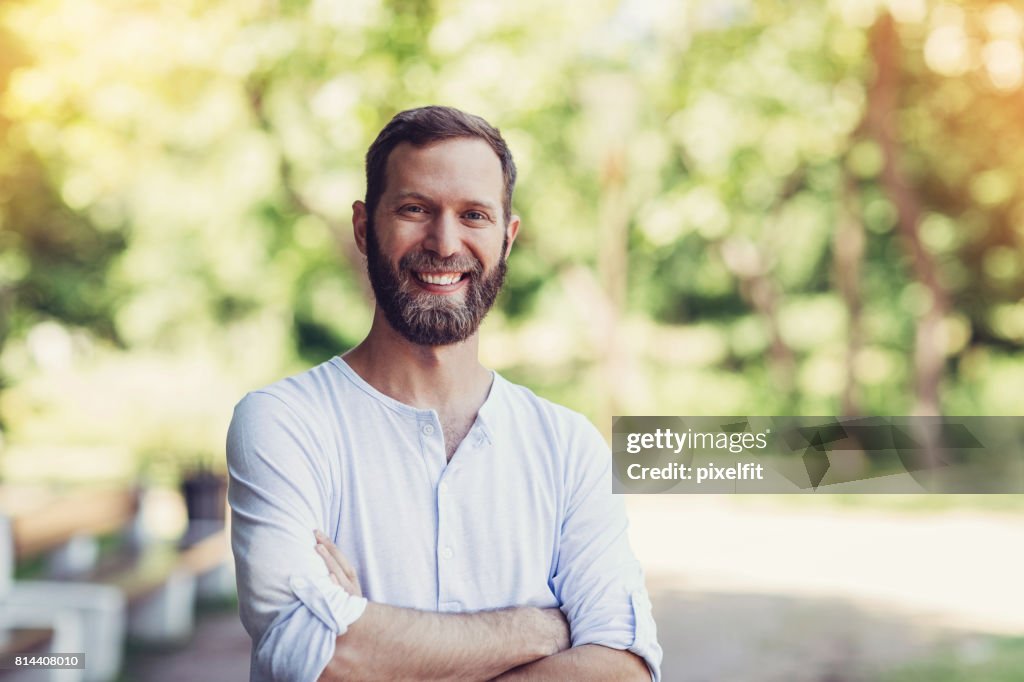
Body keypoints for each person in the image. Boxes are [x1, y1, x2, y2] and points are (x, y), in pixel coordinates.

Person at [227, 105, 662, 681]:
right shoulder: (284, 424)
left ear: (507, 239)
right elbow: (318, 657)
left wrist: (373, 636)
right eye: (415, 209)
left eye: (474, 215)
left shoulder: (568, 448)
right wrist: (537, 630)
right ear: (364, 228)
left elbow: (624, 670)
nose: (444, 241)